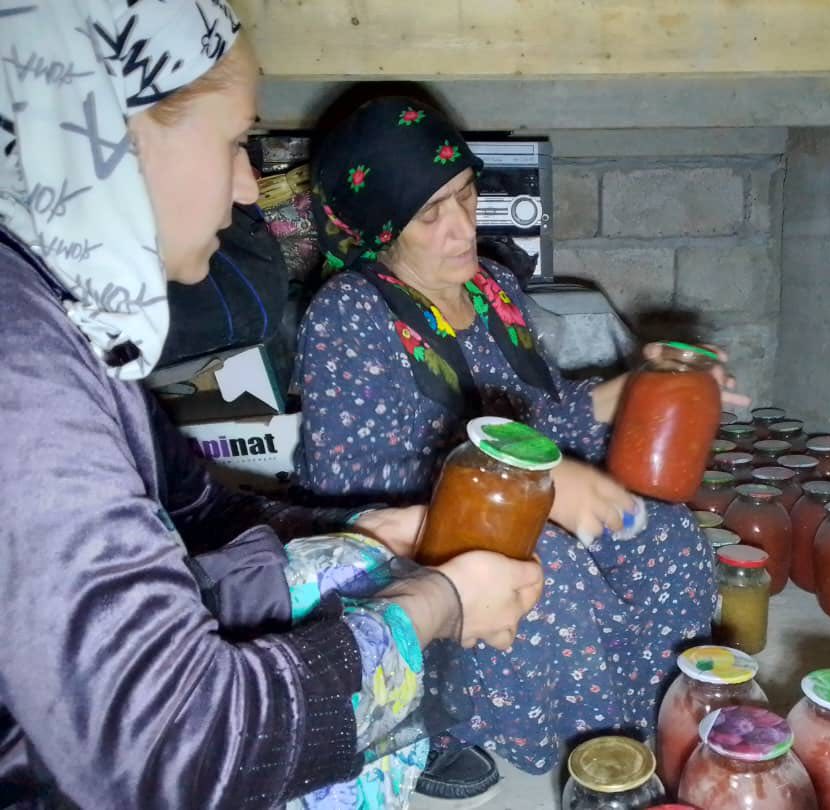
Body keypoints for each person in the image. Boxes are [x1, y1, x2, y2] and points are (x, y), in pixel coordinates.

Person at [0, 4, 541, 809]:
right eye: (233, 142)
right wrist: (438, 603)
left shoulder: (62, 320)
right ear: (111, 139)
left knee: (356, 564)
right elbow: (178, 745)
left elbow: (202, 512)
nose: (250, 185)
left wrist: (357, 529)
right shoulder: (22, 377)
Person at [295, 97, 750, 795]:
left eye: (465, 194)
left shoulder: (495, 289)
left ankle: (662, 716)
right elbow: (351, 480)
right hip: (397, 538)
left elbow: (545, 415)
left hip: (516, 500)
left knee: (661, 531)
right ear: (383, 228)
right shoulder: (348, 313)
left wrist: (644, 388)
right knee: (547, 565)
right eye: (430, 215)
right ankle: (576, 759)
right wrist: (530, 479)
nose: (462, 227)